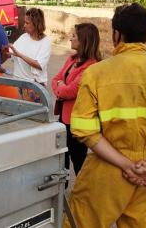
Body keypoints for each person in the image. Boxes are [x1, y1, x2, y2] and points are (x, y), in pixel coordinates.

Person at [66, 3, 146, 228]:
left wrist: (126, 165)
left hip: (106, 170)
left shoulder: (95, 74)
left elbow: (83, 129)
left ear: (117, 34)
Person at [50, 23, 101, 176]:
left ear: (84, 40)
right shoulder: (72, 59)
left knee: (78, 161)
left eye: (74, 36)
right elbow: (55, 79)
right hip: (64, 118)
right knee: (61, 158)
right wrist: (61, 86)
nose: (70, 38)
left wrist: (60, 87)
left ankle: (85, 195)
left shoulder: (91, 66)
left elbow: (71, 91)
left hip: (77, 121)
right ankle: (62, 192)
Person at [9, 8, 51, 101]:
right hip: (17, 83)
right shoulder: (23, 37)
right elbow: (12, 53)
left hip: (33, 86)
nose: (24, 25)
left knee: (32, 114)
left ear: (36, 24)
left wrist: (20, 55)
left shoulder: (45, 42)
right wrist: (6, 50)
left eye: (27, 23)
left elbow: (39, 65)